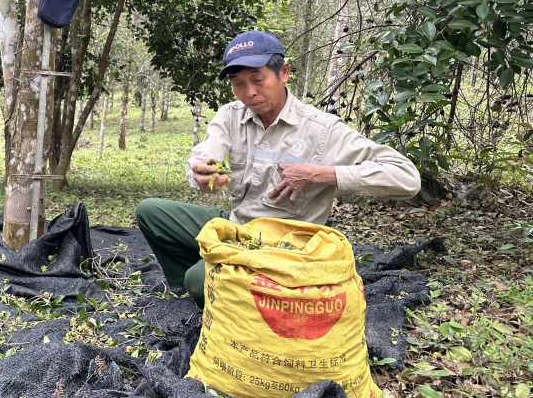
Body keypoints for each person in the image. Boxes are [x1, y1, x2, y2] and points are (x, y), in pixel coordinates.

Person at [135, 30, 422, 307]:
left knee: (200, 280)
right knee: (151, 212)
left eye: (258, 80)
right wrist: (200, 171)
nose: (249, 93)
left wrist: (318, 174)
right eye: (238, 84)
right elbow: (206, 154)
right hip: (238, 225)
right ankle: (206, 285)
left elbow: (406, 178)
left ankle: (212, 283)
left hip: (286, 244)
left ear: (283, 72)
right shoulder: (230, 116)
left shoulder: (321, 131)